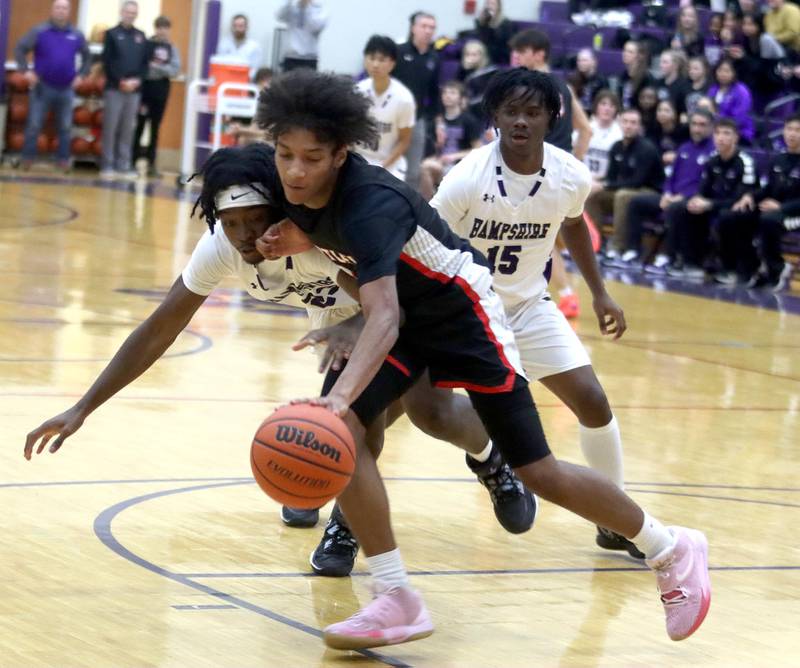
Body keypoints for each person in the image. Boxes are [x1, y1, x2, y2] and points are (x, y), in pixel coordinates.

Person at [251, 68, 710, 650]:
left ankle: (670, 550)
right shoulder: (299, 187)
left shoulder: (371, 202)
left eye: (310, 158)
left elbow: (385, 313)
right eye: (284, 155)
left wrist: (338, 395)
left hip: (463, 311)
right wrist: (303, 240)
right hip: (409, 314)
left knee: (538, 469)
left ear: (341, 154)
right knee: (346, 432)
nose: (294, 170)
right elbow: (364, 276)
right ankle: (396, 596)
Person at [22, 140, 535, 572]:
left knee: (433, 414)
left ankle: (490, 460)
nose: (246, 234)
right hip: (340, 320)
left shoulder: (314, 237)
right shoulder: (223, 247)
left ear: (280, 213)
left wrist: (357, 325)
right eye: (231, 221)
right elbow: (159, 329)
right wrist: (83, 406)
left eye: (256, 219)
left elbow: (388, 307)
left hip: (399, 310)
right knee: (354, 429)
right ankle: (347, 518)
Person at [430, 66, 651, 562]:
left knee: (593, 401)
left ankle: (614, 523)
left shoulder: (570, 174)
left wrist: (599, 293)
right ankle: (344, 520)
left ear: (552, 118)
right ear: (495, 118)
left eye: (533, 112)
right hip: (464, 312)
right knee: (407, 407)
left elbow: (573, 225)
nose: (522, 122)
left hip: (529, 306)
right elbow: (423, 239)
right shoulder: (466, 178)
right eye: (512, 111)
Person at [509, 28, 594, 319]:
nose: (517, 57)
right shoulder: (565, 88)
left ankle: (567, 295)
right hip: (562, 173)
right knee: (542, 237)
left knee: (535, 239)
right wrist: (574, 163)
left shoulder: (530, 89)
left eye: (522, 52)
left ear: (539, 54)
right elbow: (586, 130)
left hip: (536, 171)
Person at [613, 109, 716, 270]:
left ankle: (667, 256)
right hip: (671, 196)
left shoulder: (713, 152)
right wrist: (667, 193)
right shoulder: (684, 148)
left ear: (710, 128)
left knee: (675, 208)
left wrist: (681, 197)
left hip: (692, 200)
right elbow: (670, 177)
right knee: (636, 202)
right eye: (694, 124)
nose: (697, 129)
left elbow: (705, 184)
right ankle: (632, 251)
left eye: (702, 125)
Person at [665, 117, 756, 279]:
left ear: (736, 137)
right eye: (718, 133)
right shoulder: (712, 160)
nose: (721, 137)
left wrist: (709, 204)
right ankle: (688, 262)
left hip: (740, 209)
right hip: (715, 205)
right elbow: (703, 189)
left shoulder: (745, 162)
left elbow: (740, 199)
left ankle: (730, 269)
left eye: (726, 134)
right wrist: (697, 200)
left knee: (727, 216)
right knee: (682, 208)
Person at [720, 113, 800, 288]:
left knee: (769, 220)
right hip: (775, 211)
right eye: (789, 129)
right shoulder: (779, 158)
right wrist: (750, 197)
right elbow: (768, 189)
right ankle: (751, 266)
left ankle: (777, 268)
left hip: (794, 214)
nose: (792, 134)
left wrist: (781, 207)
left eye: (797, 130)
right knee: (736, 215)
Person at [13, 0, 90, 171]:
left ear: (68, 11)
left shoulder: (76, 34)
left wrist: (82, 76)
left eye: (64, 8)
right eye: (58, 7)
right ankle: (27, 159)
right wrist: (26, 71)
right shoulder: (39, 31)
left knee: (65, 127)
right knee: (34, 125)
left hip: (66, 89)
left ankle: (63, 161)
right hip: (42, 87)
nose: (61, 11)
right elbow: (19, 49)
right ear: (53, 10)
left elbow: (87, 57)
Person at [585, 108, 664, 262]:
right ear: (620, 124)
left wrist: (605, 184)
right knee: (592, 194)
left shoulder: (646, 148)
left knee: (622, 196)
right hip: (626, 189)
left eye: (633, 123)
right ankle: (595, 243)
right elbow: (611, 177)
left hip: (650, 192)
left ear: (640, 127)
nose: (629, 126)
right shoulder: (616, 147)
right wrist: (599, 183)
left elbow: (637, 181)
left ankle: (617, 247)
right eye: (626, 122)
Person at [354, 35, 416, 181]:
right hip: (358, 161)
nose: (375, 64)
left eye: (382, 60)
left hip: (389, 164)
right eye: (371, 58)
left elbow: (404, 140)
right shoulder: (357, 91)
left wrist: (382, 167)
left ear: (392, 64)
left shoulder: (404, 98)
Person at [392, 11, 440, 191]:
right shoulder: (398, 52)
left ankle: (407, 210)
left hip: (418, 119)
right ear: (413, 28)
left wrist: (438, 122)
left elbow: (434, 92)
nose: (428, 31)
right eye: (424, 26)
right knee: (388, 164)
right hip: (394, 117)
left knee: (413, 170)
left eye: (432, 27)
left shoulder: (434, 58)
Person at [100, 1, 148, 178]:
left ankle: (124, 165)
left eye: (134, 12)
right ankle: (107, 165)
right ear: (121, 12)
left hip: (134, 91)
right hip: (114, 88)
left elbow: (144, 64)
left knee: (128, 129)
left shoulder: (141, 36)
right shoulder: (111, 34)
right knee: (111, 127)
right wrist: (120, 81)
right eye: (128, 11)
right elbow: (107, 61)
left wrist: (137, 81)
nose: (130, 15)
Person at [132, 15, 180, 178]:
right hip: (146, 87)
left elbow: (174, 70)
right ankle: (132, 161)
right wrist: (154, 67)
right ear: (155, 28)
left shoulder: (172, 48)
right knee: (139, 124)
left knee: (155, 127)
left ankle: (151, 164)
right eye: (159, 27)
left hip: (161, 87)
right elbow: (142, 66)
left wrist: (158, 67)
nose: (162, 31)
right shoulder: (146, 44)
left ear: (169, 30)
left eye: (165, 28)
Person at [419, 81, 482, 200]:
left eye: (452, 93)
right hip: (440, 163)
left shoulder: (468, 120)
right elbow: (433, 150)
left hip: (461, 166)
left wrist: (454, 156)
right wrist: (438, 142)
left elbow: (479, 149)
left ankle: (428, 205)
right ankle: (429, 203)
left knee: (426, 167)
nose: (447, 96)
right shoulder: (437, 121)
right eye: (445, 93)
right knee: (422, 166)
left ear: (461, 98)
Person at [708, 58, 754, 144]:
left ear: (734, 73)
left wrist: (716, 117)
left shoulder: (741, 91)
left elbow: (739, 119)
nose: (723, 74)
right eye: (720, 70)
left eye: (727, 71)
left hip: (739, 132)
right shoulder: (713, 89)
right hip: (715, 130)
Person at [584, 89, 623, 185]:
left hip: (606, 181)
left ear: (616, 110)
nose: (607, 109)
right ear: (596, 106)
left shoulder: (620, 133)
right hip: (582, 177)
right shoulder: (585, 128)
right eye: (603, 104)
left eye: (611, 106)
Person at [276, 0, 327, 71]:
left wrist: (307, 7)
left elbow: (316, 26)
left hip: (309, 59)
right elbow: (279, 16)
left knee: (309, 81)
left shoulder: (319, 7)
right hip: (290, 57)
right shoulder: (292, 6)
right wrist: (289, 2)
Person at [615, 40, 656, 111]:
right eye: (624, 51)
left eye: (630, 52)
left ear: (639, 55)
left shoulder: (646, 78)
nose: (625, 54)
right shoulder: (623, 75)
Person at [567, 48, 610, 115]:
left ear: (593, 62)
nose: (581, 63)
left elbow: (604, 102)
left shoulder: (602, 81)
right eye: (579, 61)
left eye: (584, 60)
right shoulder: (572, 79)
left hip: (594, 116)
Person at [474, 0, 514, 64]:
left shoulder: (505, 23)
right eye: (488, 3)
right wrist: (485, 23)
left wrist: (491, 26)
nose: (489, 6)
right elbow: (479, 37)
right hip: (483, 49)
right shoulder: (480, 21)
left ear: (498, 7)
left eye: (492, 4)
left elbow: (501, 42)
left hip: (499, 51)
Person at [656, 50, 691, 117]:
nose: (661, 65)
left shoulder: (684, 86)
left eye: (665, 62)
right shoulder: (658, 83)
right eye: (661, 62)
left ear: (675, 65)